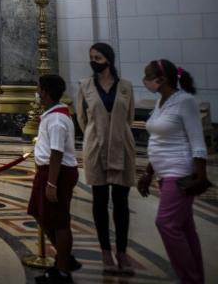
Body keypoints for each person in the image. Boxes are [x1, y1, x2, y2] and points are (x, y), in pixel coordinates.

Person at [138, 59, 208, 284]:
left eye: (148, 76)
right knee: (185, 227)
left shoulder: (185, 102)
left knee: (166, 223)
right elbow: (158, 140)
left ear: (162, 78)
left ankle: (189, 278)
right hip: (162, 172)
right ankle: (196, 277)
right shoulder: (161, 101)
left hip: (179, 173)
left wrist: (201, 176)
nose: (145, 80)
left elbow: (197, 142)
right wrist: (149, 172)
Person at [74, 43, 135, 274]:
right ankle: (105, 251)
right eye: (91, 57)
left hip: (121, 146)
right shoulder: (85, 86)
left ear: (108, 59)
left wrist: (116, 134)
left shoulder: (126, 87)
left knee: (121, 202)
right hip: (96, 147)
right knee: (99, 201)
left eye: (98, 57)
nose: (94, 61)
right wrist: (95, 135)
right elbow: (81, 118)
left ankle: (122, 251)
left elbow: (128, 118)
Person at [28, 74, 78, 284]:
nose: (37, 93)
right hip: (48, 171)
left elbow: (57, 152)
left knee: (58, 220)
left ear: (46, 92)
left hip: (56, 173)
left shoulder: (57, 119)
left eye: (39, 89)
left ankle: (63, 270)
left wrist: (51, 183)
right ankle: (65, 257)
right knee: (39, 212)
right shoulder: (53, 115)